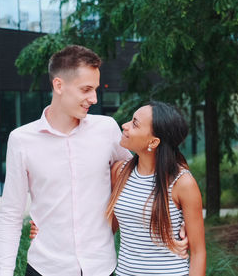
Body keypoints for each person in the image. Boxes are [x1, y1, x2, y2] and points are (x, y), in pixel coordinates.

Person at [0, 45, 187, 276]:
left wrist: (183, 219)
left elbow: (144, 174)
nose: (94, 98)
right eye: (86, 89)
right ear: (59, 85)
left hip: (101, 267)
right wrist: (4, 272)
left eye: (95, 89)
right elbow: (10, 214)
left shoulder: (106, 129)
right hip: (46, 267)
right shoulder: (21, 140)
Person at [31, 101, 206, 275]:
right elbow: (103, 229)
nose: (125, 125)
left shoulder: (182, 183)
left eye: (135, 124)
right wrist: (50, 227)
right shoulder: (119, 172)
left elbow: (198, 253)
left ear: (153, 142)